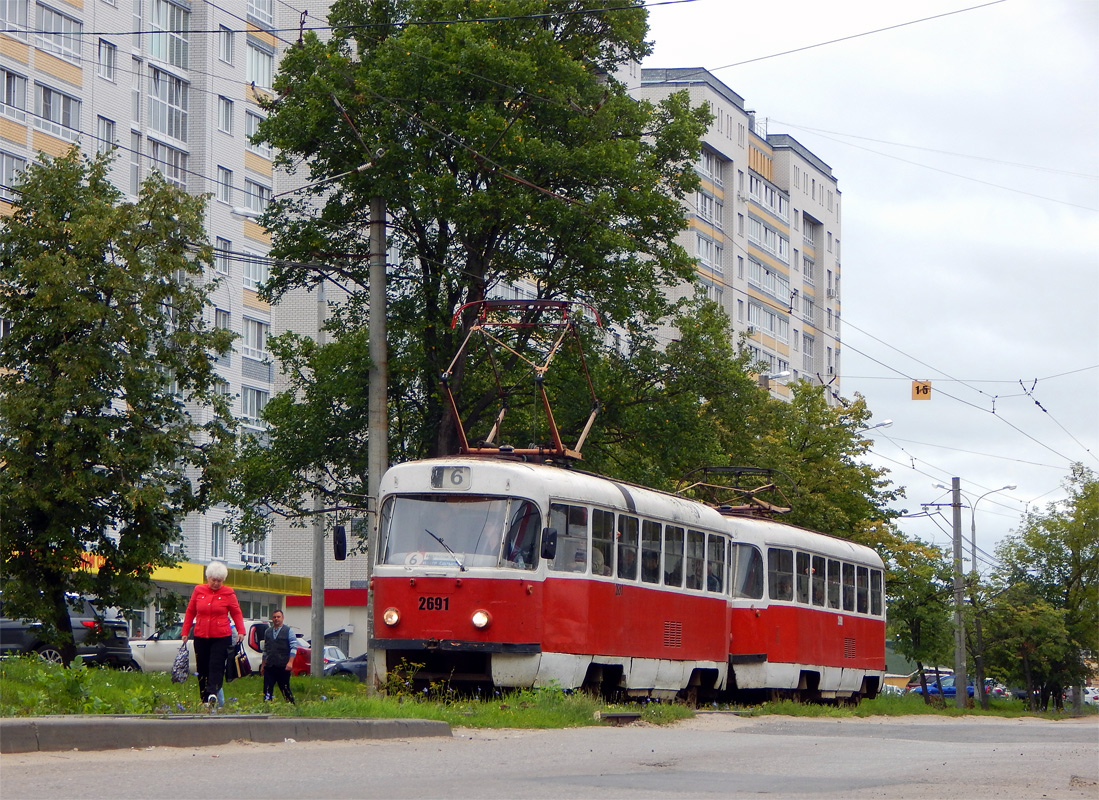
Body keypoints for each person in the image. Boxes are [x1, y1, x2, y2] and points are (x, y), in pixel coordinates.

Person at [181, 561, 245, 709]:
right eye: (213, 580)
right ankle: (204, 699)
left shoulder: (228, 593)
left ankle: (212, 694)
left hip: (221, 636)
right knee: (202, 667)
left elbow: (236, 612)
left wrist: (241, 630)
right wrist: (185, 632)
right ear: (208, 578)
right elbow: (191, 611)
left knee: (216, 665)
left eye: (219, 581)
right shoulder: (199, 590)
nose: (216, 583)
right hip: (201, 635)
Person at [261, 609, 297, 704]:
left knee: (285, 688)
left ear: (282, 618)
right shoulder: (268, 632)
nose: (276, 619)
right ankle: (267, 707)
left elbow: (293, 647)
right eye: (274, 617)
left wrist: (290, 662)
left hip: (283, 665)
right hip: (270, 665)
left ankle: (291, 707)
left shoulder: (288, 631)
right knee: (267, 689)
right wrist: (263, 664)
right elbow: (265, 649)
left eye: (278, 617)